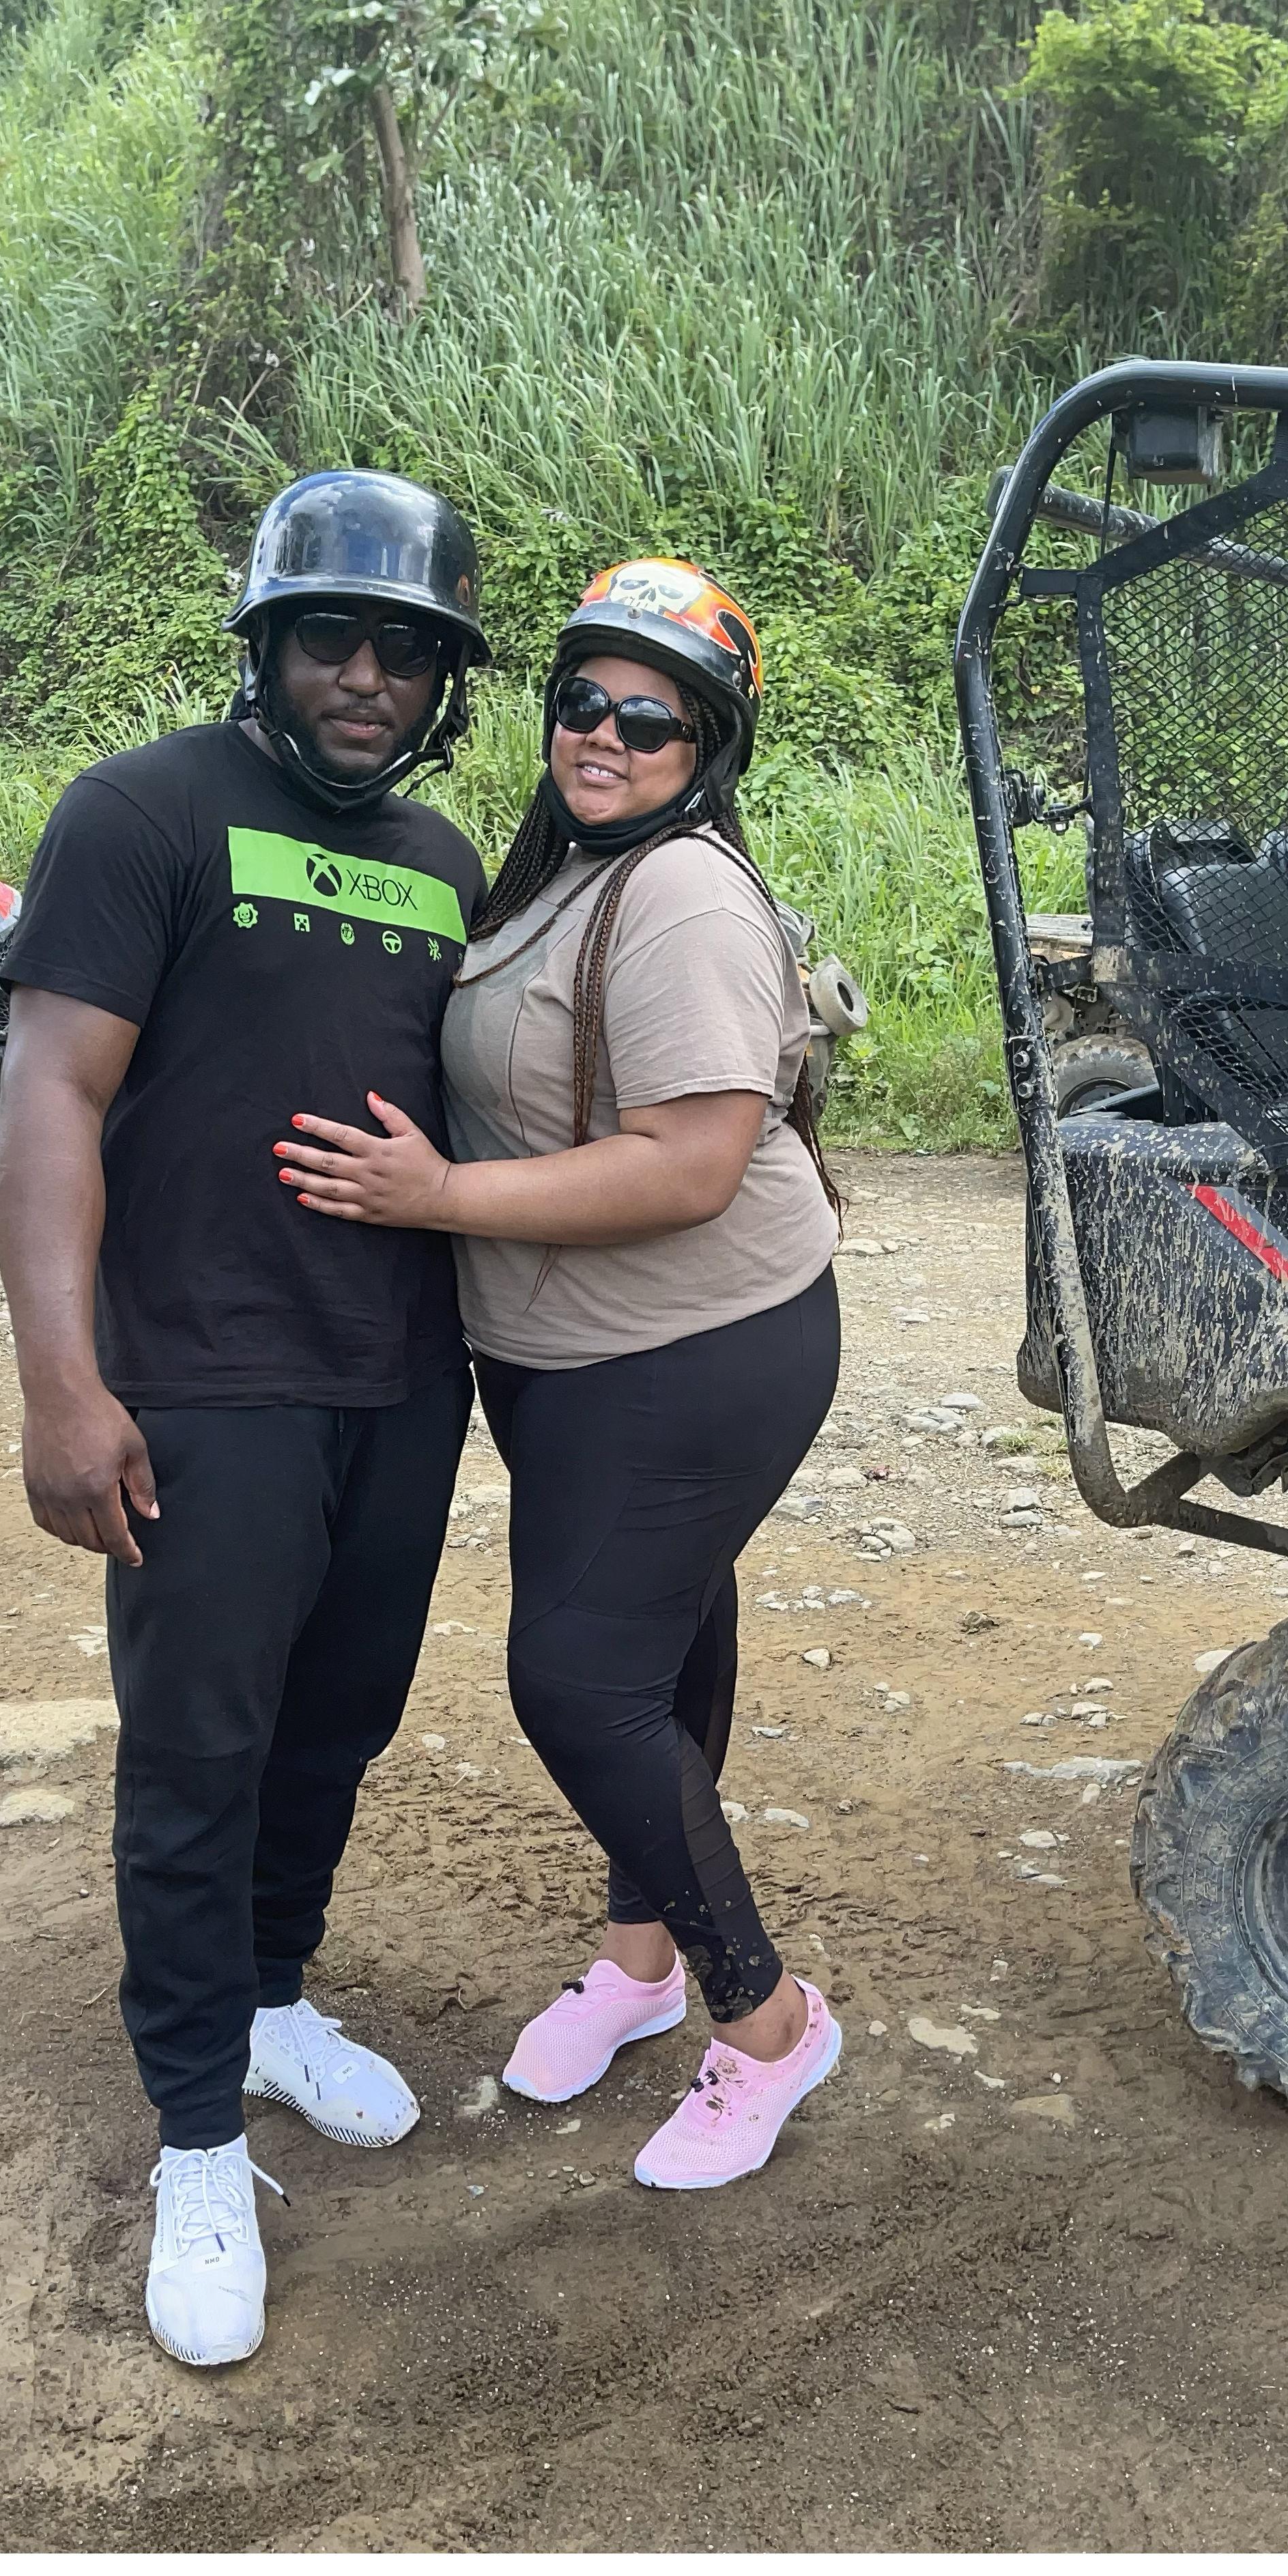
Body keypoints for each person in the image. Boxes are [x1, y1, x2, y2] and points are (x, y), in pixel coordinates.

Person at [0, 470, 493, 2369]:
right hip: (204, 1376)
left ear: (444, 681)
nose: (367, 675)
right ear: (269, 645)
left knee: (339, 1718)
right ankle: (197, 2129)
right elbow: (49, 1097)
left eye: (408, 650)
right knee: (197, 1747)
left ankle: (274, 1997)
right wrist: (63, 1380)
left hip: (399, 1377)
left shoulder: (449, 852)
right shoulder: (143, 811)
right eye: (332, 637)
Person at [273, 560, 846, 2194]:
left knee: (580, 1681)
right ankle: (641, 1964)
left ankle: (769, 2023)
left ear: (706, 743)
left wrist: (438, 1199)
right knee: (659, 1654)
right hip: (575, 1353)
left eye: (648, 715)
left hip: (698, 1343)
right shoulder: (562, 866)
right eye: (579, 699)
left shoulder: (682, 896)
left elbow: (690, 1163)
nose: (602, 733)